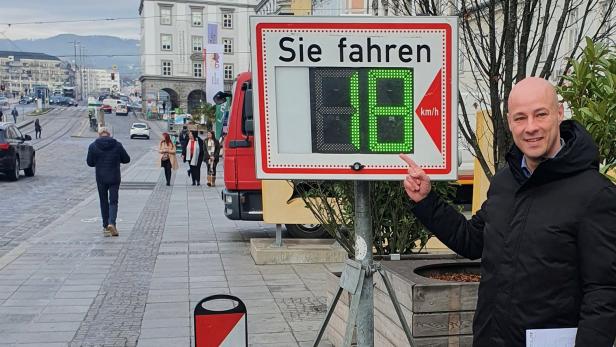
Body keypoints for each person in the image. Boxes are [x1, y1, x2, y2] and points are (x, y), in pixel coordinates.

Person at [400, 77, 616, 346]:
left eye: (541, 115)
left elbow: (604, 291)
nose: (531, 128)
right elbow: (472, 240)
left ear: (559, 113)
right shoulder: (505, 181)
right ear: (509, 122)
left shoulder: (594, 194)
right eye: (520, 118)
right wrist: (426, 200)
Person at [86, 127, 130, 237]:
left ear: (99, 134)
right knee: (113, 201)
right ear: (109, 134)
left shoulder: (93, 146)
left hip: (101, 178)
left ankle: (105, 226)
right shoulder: (117, 145)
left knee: (103, 201)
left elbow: (90, 163)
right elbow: (126, 159)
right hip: (114, 177)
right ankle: (112, 223)